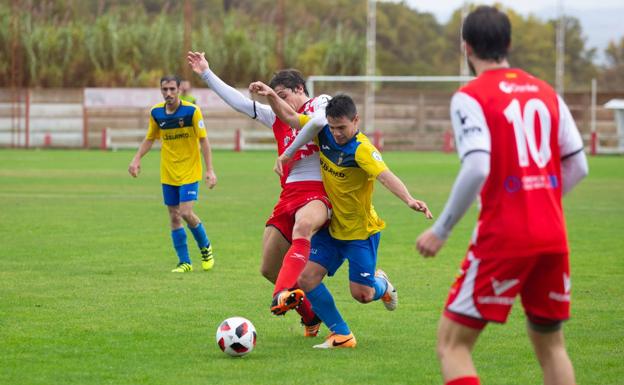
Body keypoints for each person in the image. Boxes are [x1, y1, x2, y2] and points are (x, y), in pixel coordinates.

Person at [415, 6, 588, 385]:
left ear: (466, 47)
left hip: (504, 235)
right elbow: (578, 166)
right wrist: (541, 201)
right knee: (551, 344)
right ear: (508, 43)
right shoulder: (547, 92)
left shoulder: (470, 95)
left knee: (452, 345)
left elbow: (477, 165)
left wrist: (441, 230)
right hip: (552, 235)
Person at [252, 88, 433, 349]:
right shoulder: (322, 132)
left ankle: (382, 285)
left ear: (356, 121)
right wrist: (271, 95)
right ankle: (341, 334)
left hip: (360, 232)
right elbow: (291, 118)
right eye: (333, 127)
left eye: (342, 127)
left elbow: (385, 176)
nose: (337, 133)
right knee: (306, 279)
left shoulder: (362, 150)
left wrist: (410, 200)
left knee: (362, 294)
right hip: (332, 228)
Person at [187, 51, 331, 337]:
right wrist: (206, 72)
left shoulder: (320, 103)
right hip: (288, 194)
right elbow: (239, 102)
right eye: (273, 95)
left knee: (304, 228)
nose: (275, 100)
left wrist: (288, 153)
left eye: (282, 94)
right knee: (268, 268)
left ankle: (282, 295)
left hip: (319, 190)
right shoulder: (275, 114)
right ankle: (310, 316)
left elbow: (314, 124)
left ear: (299, 89)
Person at [128, 75, 217, 273]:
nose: (168, 93)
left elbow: (203, 141)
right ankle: (184, 262)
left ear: (179, 89)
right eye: (164, 90)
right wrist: (136, 159)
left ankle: (205, 248)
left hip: (190, 171)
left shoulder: (192, 111)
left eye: (172, 89)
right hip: (168, 172)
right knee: (174, 217)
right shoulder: (156, 113)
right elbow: (150, 138)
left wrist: (210, 169)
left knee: (185, 212)